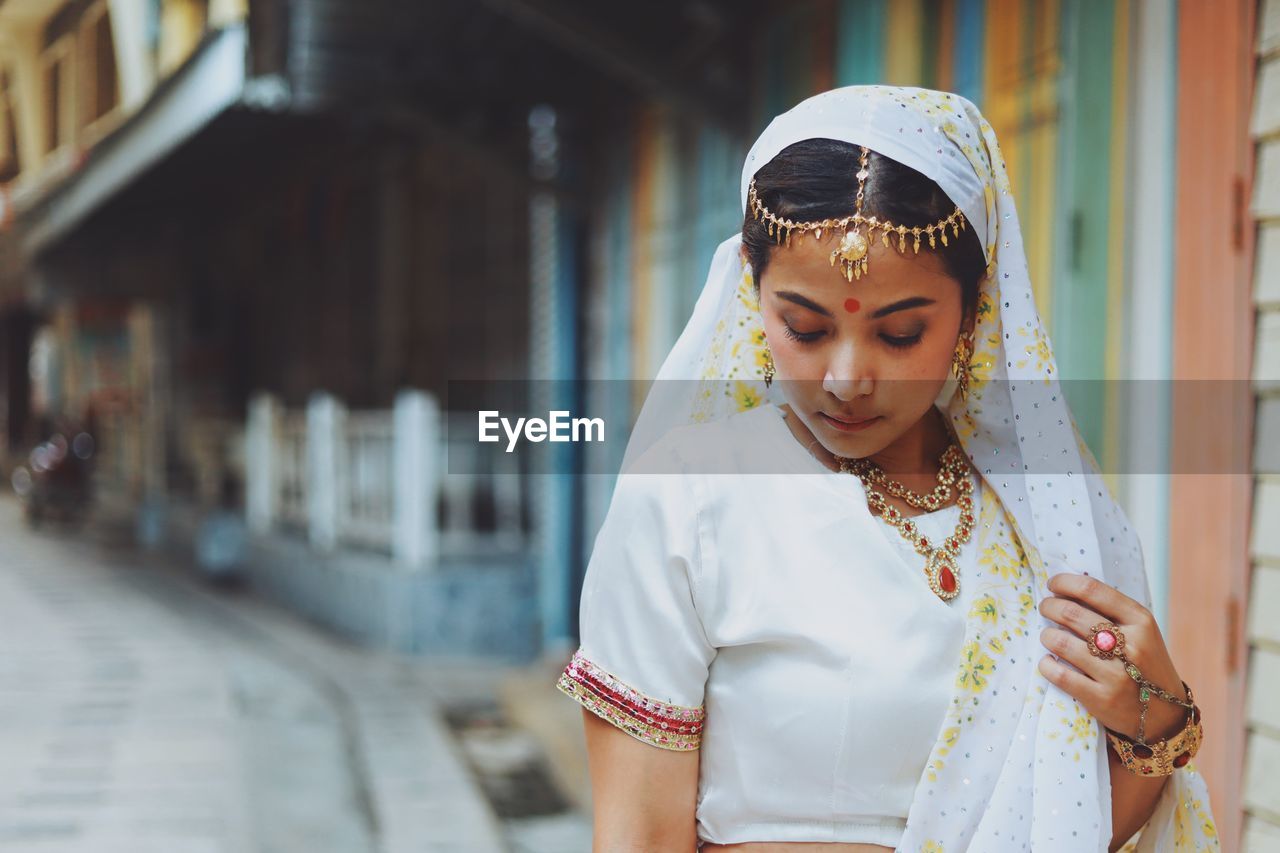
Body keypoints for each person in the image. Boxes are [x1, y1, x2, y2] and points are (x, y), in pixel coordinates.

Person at [555, 86, 1220, 852]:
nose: (846, 377)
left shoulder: (1050, 520)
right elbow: (638, 834)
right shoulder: (692, 497)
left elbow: (1070, 825)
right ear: (752, 291)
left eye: (900, 333)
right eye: (803, 327)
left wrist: (1159, 722)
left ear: (976, 310)